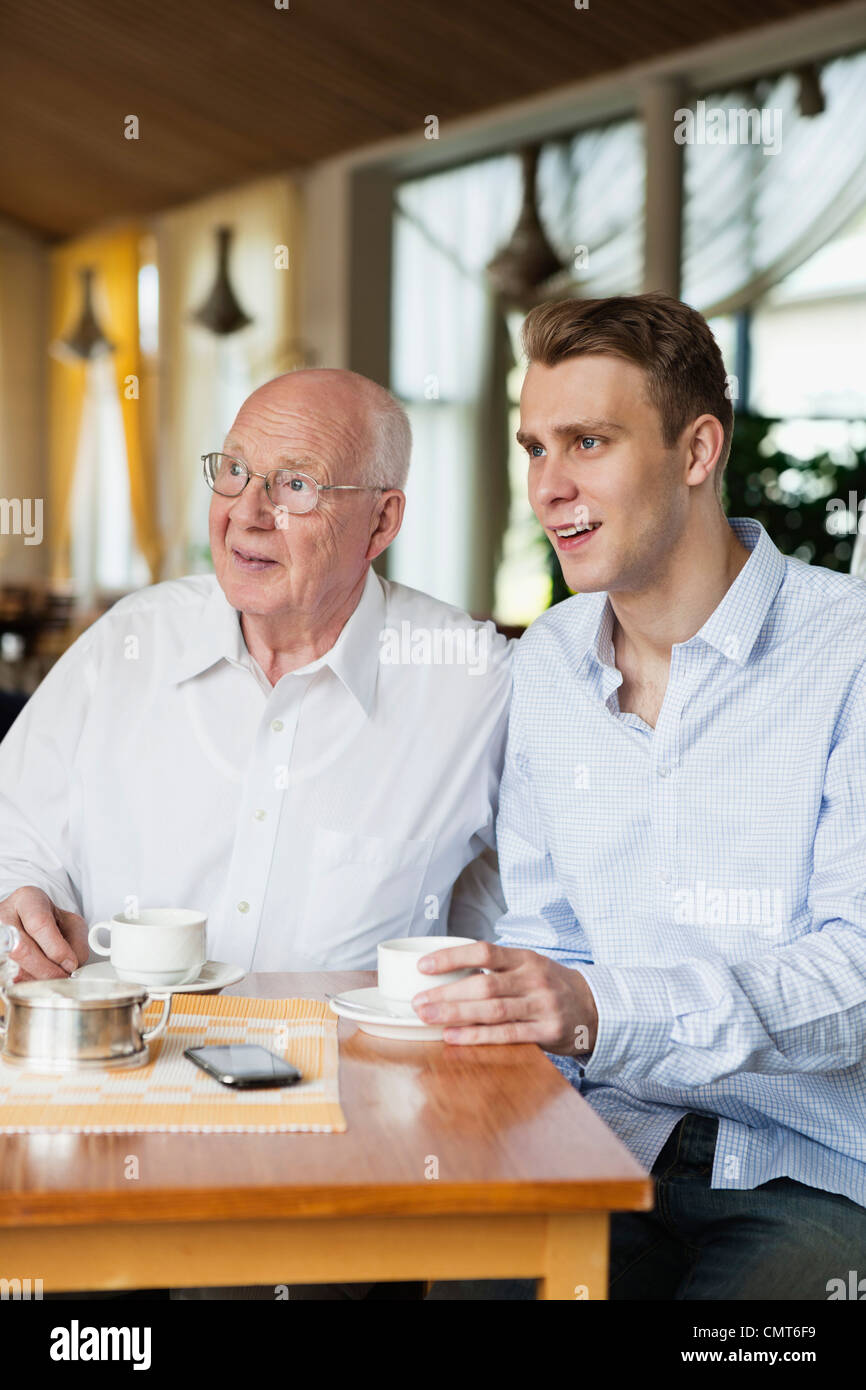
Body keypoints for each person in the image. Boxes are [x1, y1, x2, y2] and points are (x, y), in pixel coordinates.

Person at [413, 293, 866, 1301]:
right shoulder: (548, 664)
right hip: (600, 1145)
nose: (548, 485)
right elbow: (553, 936)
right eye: (534, 447)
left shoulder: (848, 653)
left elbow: (855, 979)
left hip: (813, 1173)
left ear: (696, 449)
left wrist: (597, 1008)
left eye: (587, 441)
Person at [0, 369, 512, 982]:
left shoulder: (472, 682)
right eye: (234, 470)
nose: (247, 512)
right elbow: (15, 835)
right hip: (127, 1061)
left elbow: (538, 920)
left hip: (357, 1072)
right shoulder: (128, 641)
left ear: (381, 522)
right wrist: (20, 900)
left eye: (296, 485)